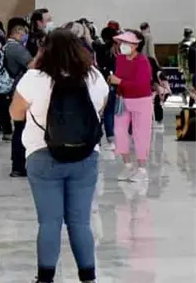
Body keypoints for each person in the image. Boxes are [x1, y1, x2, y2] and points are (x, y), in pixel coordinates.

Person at [9, 29, 108, 283]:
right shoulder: (94, 76)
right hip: (85, 156)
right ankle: (88, 277)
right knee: (80, 222)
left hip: (43, 156)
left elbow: (15, 113)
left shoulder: (34, 78)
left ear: (45, 51)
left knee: (49, 222)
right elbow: (100, 108)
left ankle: (45, 278)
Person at [110, 30, 154, 182]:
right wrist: (116, 84)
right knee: (119, 131)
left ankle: (142, 169)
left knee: (141, 134)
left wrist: (120, 82)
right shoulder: (120, 59)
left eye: (126, 43)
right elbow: (118, 77)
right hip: (123, 100)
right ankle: (127, 165)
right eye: (121, 42)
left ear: (136, 45)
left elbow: (141, 85)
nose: (122, 45)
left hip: (141, 101)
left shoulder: (142, 61)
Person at [3, 17, 34, 177]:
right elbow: (32, 65)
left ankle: (17, 163)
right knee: (21, 129)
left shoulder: (7, 46)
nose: (26, 35)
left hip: (13, 91)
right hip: (19, 91)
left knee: (19, 128)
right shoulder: (16, 48)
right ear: (18, 31)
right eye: (24, 32)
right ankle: (18, 165)